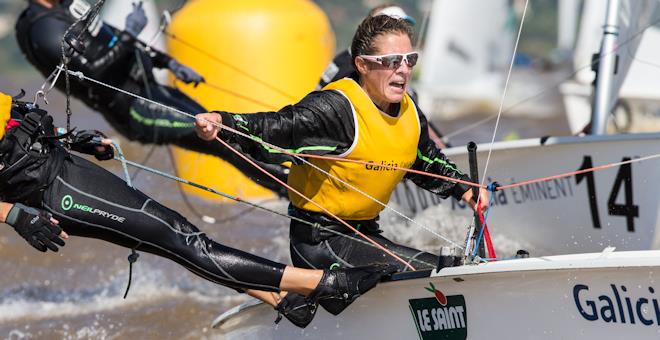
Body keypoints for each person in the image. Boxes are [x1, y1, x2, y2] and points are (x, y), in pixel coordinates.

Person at [0, 90, 395, 329]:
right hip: (55, 189)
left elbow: (12, 125)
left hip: (63, 168)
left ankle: (284, 302)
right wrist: (15, 216)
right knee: (183, 238)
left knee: (174, 241)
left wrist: (72, 138)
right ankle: (324, 284)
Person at [195, 14, 489, 316]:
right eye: (391, 61)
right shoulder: (335, 109)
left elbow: (426, 160)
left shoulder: (409, 112)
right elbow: (278, 126)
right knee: (438, 272)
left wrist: (464, 187)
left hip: (366, 235)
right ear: (362, 65)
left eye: (409, 59)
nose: (403, 69)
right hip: (321, 241)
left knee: (445, 267)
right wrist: (225, 121)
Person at [14, 0, 289, 196]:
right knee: (220, 140)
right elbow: (95, 69)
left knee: (229, 133)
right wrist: (130, 32)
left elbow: (115, 40)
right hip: (135, 110)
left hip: (154, 91)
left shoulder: (67, 5)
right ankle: (290, 191)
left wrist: (169, 63)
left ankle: (292, 180)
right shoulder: (42, 27)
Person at [317, 3, 449, 148]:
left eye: (403, 26)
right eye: (390, 26)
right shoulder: (349, 67)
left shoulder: (394, 67)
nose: (400, 33)